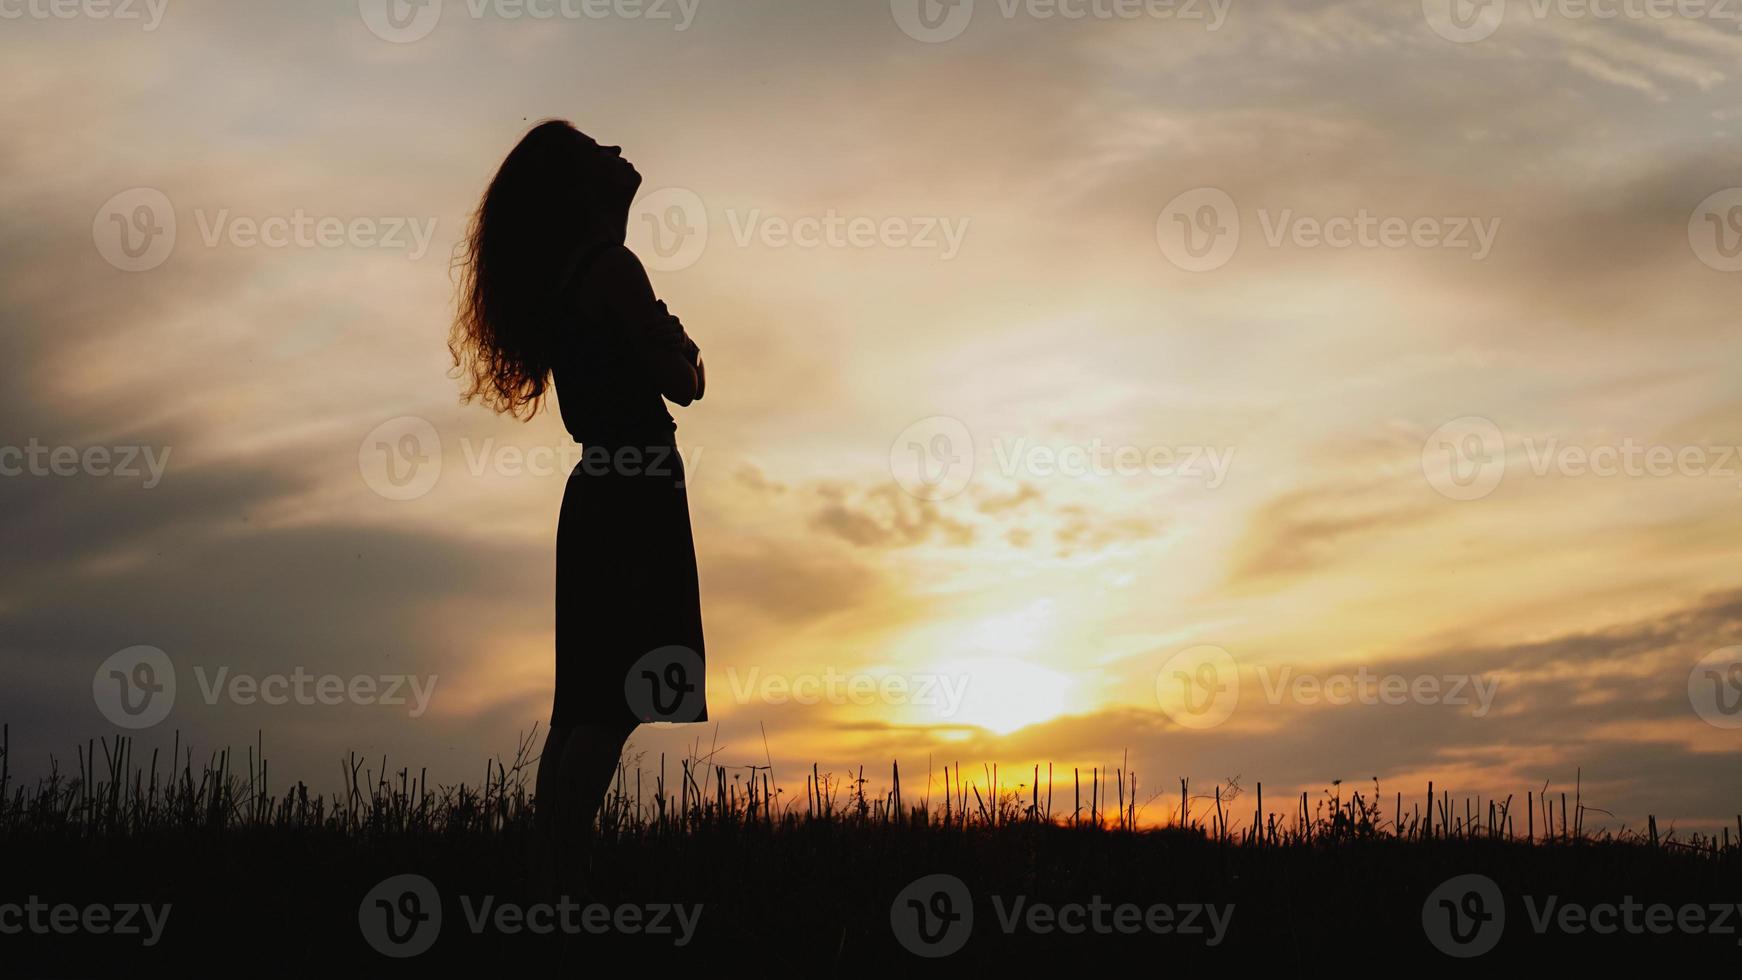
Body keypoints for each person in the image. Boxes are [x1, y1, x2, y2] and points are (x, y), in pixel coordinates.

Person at [449, 119, 708, 885]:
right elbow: (683, 382)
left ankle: (549, 868)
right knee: (613, 699)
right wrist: (683, 340)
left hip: (599, 491)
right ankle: (562, 871)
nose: (618, 150)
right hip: (637, 493)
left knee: (586, 700)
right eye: (597, 149)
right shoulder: (611, 269)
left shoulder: (572, 275)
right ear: (582, 188)